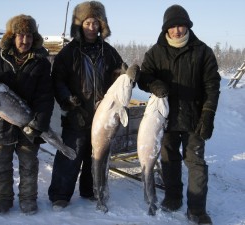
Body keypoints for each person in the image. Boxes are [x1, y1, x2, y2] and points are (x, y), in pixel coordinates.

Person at [137, 5, 220, 225]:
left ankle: (197, 210)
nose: (177, 30)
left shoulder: (202, 51)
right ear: (166, 28)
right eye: (172, 26)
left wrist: (208, 114)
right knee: (169, 159)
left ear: (188, 26)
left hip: (195, 118)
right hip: (165, 118)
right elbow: (143, 77)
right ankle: (173, 197)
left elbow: (212, 86)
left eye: (180, 25)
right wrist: (154, 84)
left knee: (196, 163)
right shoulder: (156, 51)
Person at [0, 14, 54, 215]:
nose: (25, 41)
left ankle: (28, 199)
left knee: (29, 165)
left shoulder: (41, 63)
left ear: (34, 38)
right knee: (1, 165)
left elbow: (45, 96)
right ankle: (4, 199)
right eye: (20, 35)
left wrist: (40, 121)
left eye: (29, 36)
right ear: (11, 36)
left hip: (28, 123)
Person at [48, 1, 123, 210]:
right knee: (71, 153)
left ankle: (90, 190)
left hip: (102, 113)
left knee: (96, 154)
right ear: (80, 25)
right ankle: (60, 195)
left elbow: (119, 74)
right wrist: (68, 101)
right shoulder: (69, 52)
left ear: (102, 26)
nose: (92, 27)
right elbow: (58, 80)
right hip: (76, 112)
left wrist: (126, 74)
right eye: (88, 22)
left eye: (96, 23)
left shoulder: (108, 52)